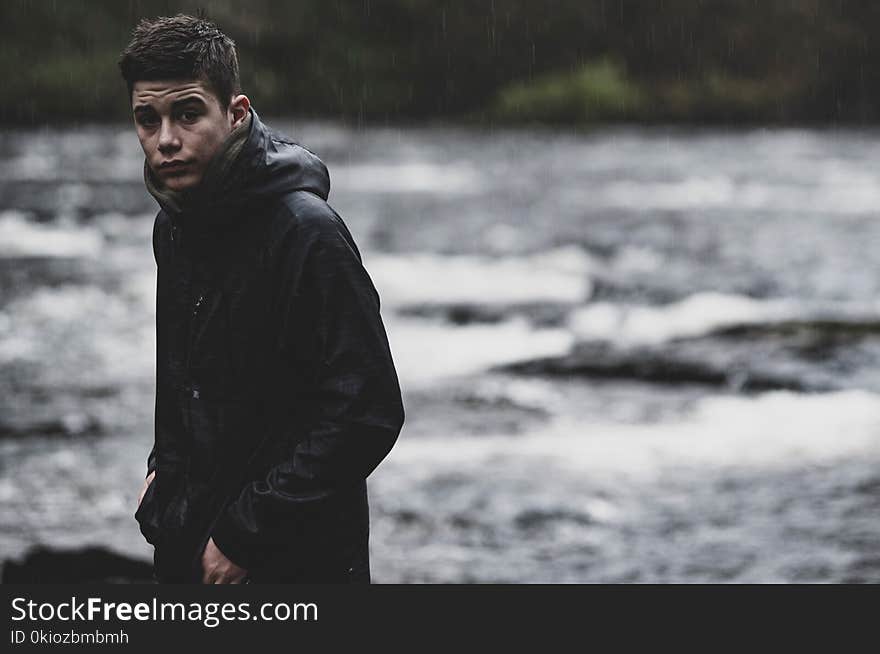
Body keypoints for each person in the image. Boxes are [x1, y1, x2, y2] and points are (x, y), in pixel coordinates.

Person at [121, 14, 405, 583]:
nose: (166, 139)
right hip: (190, 541)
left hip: (295, 562)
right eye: (147, 120)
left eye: (187, 113)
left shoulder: (307, 231)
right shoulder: (175, 225)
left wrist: (247, 535)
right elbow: (182, 375)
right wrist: (164, 472)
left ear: (236, 112)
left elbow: (367, 410)